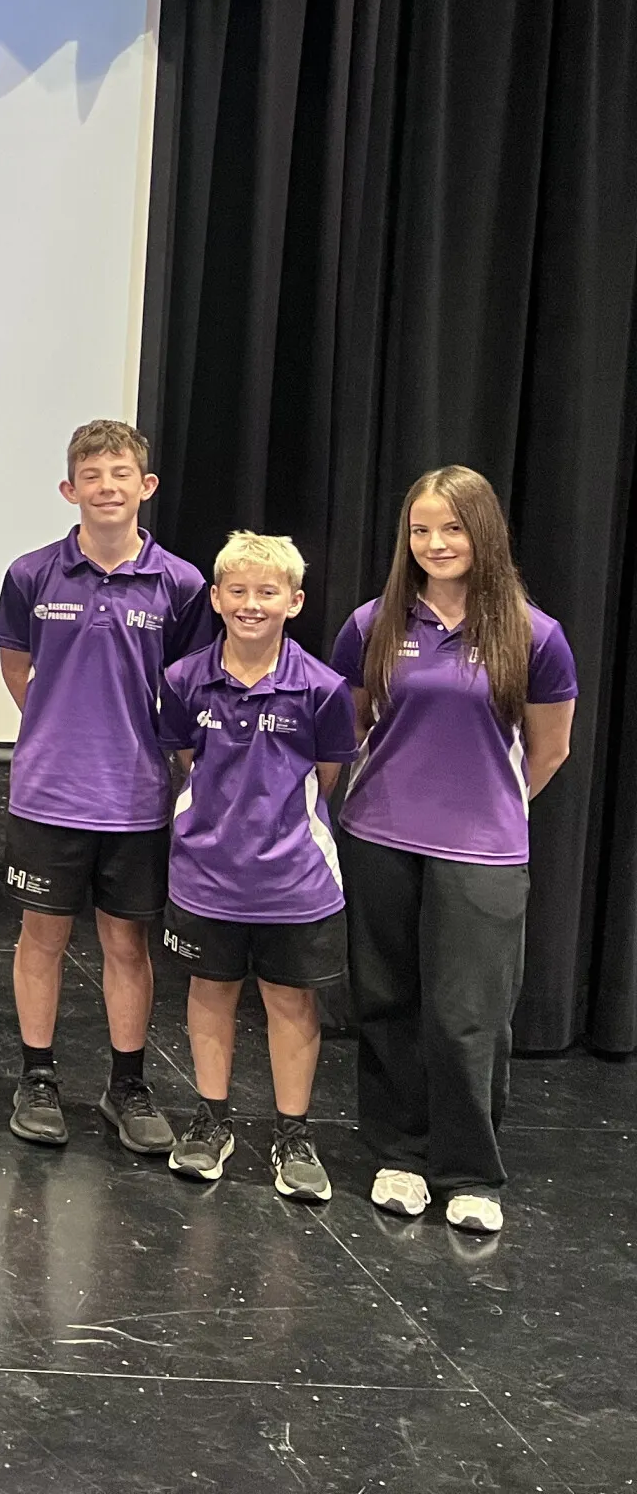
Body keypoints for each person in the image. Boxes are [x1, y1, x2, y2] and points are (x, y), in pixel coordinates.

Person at [329, 467, 576, 1234]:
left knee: (469, 1016)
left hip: (483, 852)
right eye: (420, 530)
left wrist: (484, 811)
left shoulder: (535, 635)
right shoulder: (372, 624)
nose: (435, 543)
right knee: (389, 1001)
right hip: (379, 838)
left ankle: (470, 1172)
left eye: (452, 528)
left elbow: (550, 751)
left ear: (484, 533)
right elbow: (352, 725)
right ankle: (400, 1155)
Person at [0, 420, 207, 1153]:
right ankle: (39, 1077)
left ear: (144, 487)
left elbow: (187, 686)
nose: (106, 487)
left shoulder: (181, 584)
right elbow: (17, 667)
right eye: (92, 475)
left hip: (136, 797)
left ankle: (127, 1086)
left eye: (121, 474)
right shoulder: (30, 574)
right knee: (41, 938)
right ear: (68, 489)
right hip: (49, 792)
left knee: (126, 944)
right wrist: (61, 729)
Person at [155, 531, 358, 1199]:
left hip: (293, 884)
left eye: (267, 592)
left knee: (291, 1002)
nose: (250, 604)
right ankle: (211, 1122)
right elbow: (184, 760)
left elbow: (326, 777)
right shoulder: (183, 681)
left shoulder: (323, 691)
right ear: (214, 597)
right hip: (206, 877)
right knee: (210, 994)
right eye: (236, 591)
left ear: (294, 602)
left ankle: (293, 1135)